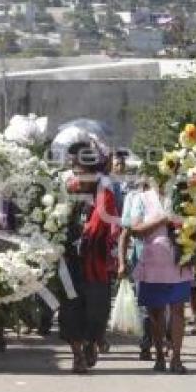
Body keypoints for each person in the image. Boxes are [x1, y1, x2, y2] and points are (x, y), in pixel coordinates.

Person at [120, 172, 193, 373]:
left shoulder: (183, 196)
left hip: (179, 261)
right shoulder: (141, 199)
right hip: (153, 263)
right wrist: (162, 221)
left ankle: (176, 358)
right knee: (156, 313)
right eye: (158, 177)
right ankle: (160, 355)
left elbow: (194, 223)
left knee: (178, 310)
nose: (163, 181)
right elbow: (135, 229)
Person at [60, 142, 119, 374]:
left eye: (82, 171)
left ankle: (92, 342)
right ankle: (77, 355)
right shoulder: (68, 190)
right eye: (75, 171)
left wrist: (84, 237)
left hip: (95, 262)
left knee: (96, 310)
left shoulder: (104, 193)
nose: (78, 176)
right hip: (70, 262)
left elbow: (99, 223)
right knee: (71, 309)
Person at [118, 174, 152, 360]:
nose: (144, 189)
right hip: (141, 260)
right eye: (142, 186)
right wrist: (122, 262)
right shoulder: (132, 198)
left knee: (165, 306)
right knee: (144, 304)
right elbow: (125, 233)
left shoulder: (167, 199)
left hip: (165, 261)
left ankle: (167, 343)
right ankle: (146, 345)